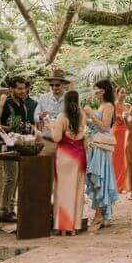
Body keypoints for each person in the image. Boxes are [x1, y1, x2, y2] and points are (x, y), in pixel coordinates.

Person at [48, 90, 87, 235]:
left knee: (63, 191)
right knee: (77, 191)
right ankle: (75, 227)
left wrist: (51, 127)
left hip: (64, 157)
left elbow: (57, 138)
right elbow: (83, 135)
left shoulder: (62, 116)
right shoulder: (82, 115)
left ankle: (63, 227)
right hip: (79, 156)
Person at [84, 79, 120, 231]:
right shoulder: (101, 105)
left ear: (103, 91)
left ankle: (99, 215)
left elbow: (105, 126)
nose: (95, 92)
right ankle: (102, 214)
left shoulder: (109, 106)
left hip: (101, 146)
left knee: (99, 177)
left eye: (96, 89)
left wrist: (91, 114)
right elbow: (95, 124)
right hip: (94, 144)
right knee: (96, 178)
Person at [0, 76, 32, 222]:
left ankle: (10, 208)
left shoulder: (22, 104)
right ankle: (4, 210)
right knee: (10, 178)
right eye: (19, 88)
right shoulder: (6, 104)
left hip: (19, 143)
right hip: (7, 144)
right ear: (11, 89)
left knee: (16, 178)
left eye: (24, 88)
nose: (23, 91)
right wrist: (12, 127)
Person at [34, 69, 70, 150]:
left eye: (57, 85)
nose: (54, 87)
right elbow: (35, 117)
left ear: (63, 84)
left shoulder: (69, 98)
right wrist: (40, 117)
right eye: (51, 85)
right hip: (47, 140)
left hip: (65, 141)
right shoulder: (43, 98)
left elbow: (76, 118)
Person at [112, 86, 129, 194]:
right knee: (117, 159)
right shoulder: (113, 105)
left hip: (127, 132)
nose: (123, 94)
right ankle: (117, 185)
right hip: (117, 132)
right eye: (122, 92)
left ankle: (124, 185)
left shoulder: (128, 106)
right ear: (117, 93)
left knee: (125, 158)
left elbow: (131, 119)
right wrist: (120, 116)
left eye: (125, 92)